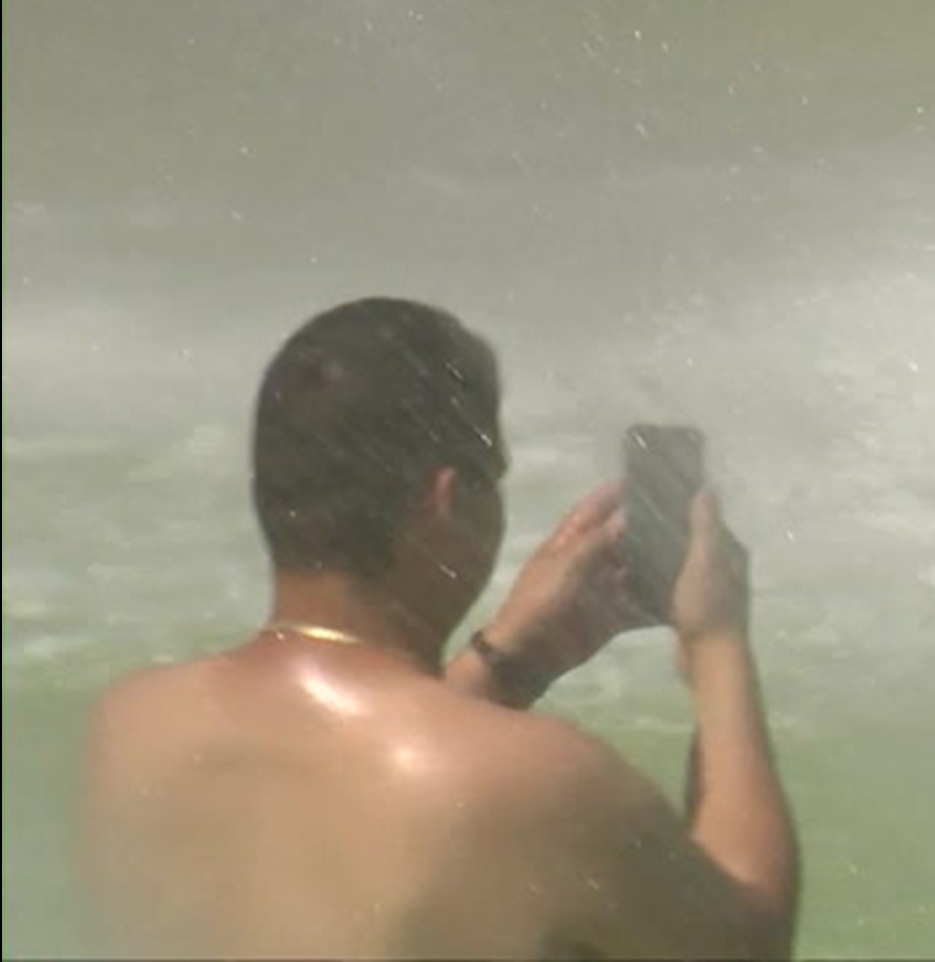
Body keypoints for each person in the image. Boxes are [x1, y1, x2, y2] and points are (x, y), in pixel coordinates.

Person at [74, 298, 799, 959]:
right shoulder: (539, 784)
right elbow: (747, 941)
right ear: (447, 500)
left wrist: (506, 662)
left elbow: (356, 834)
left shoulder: (134, 725)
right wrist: (716, 646)